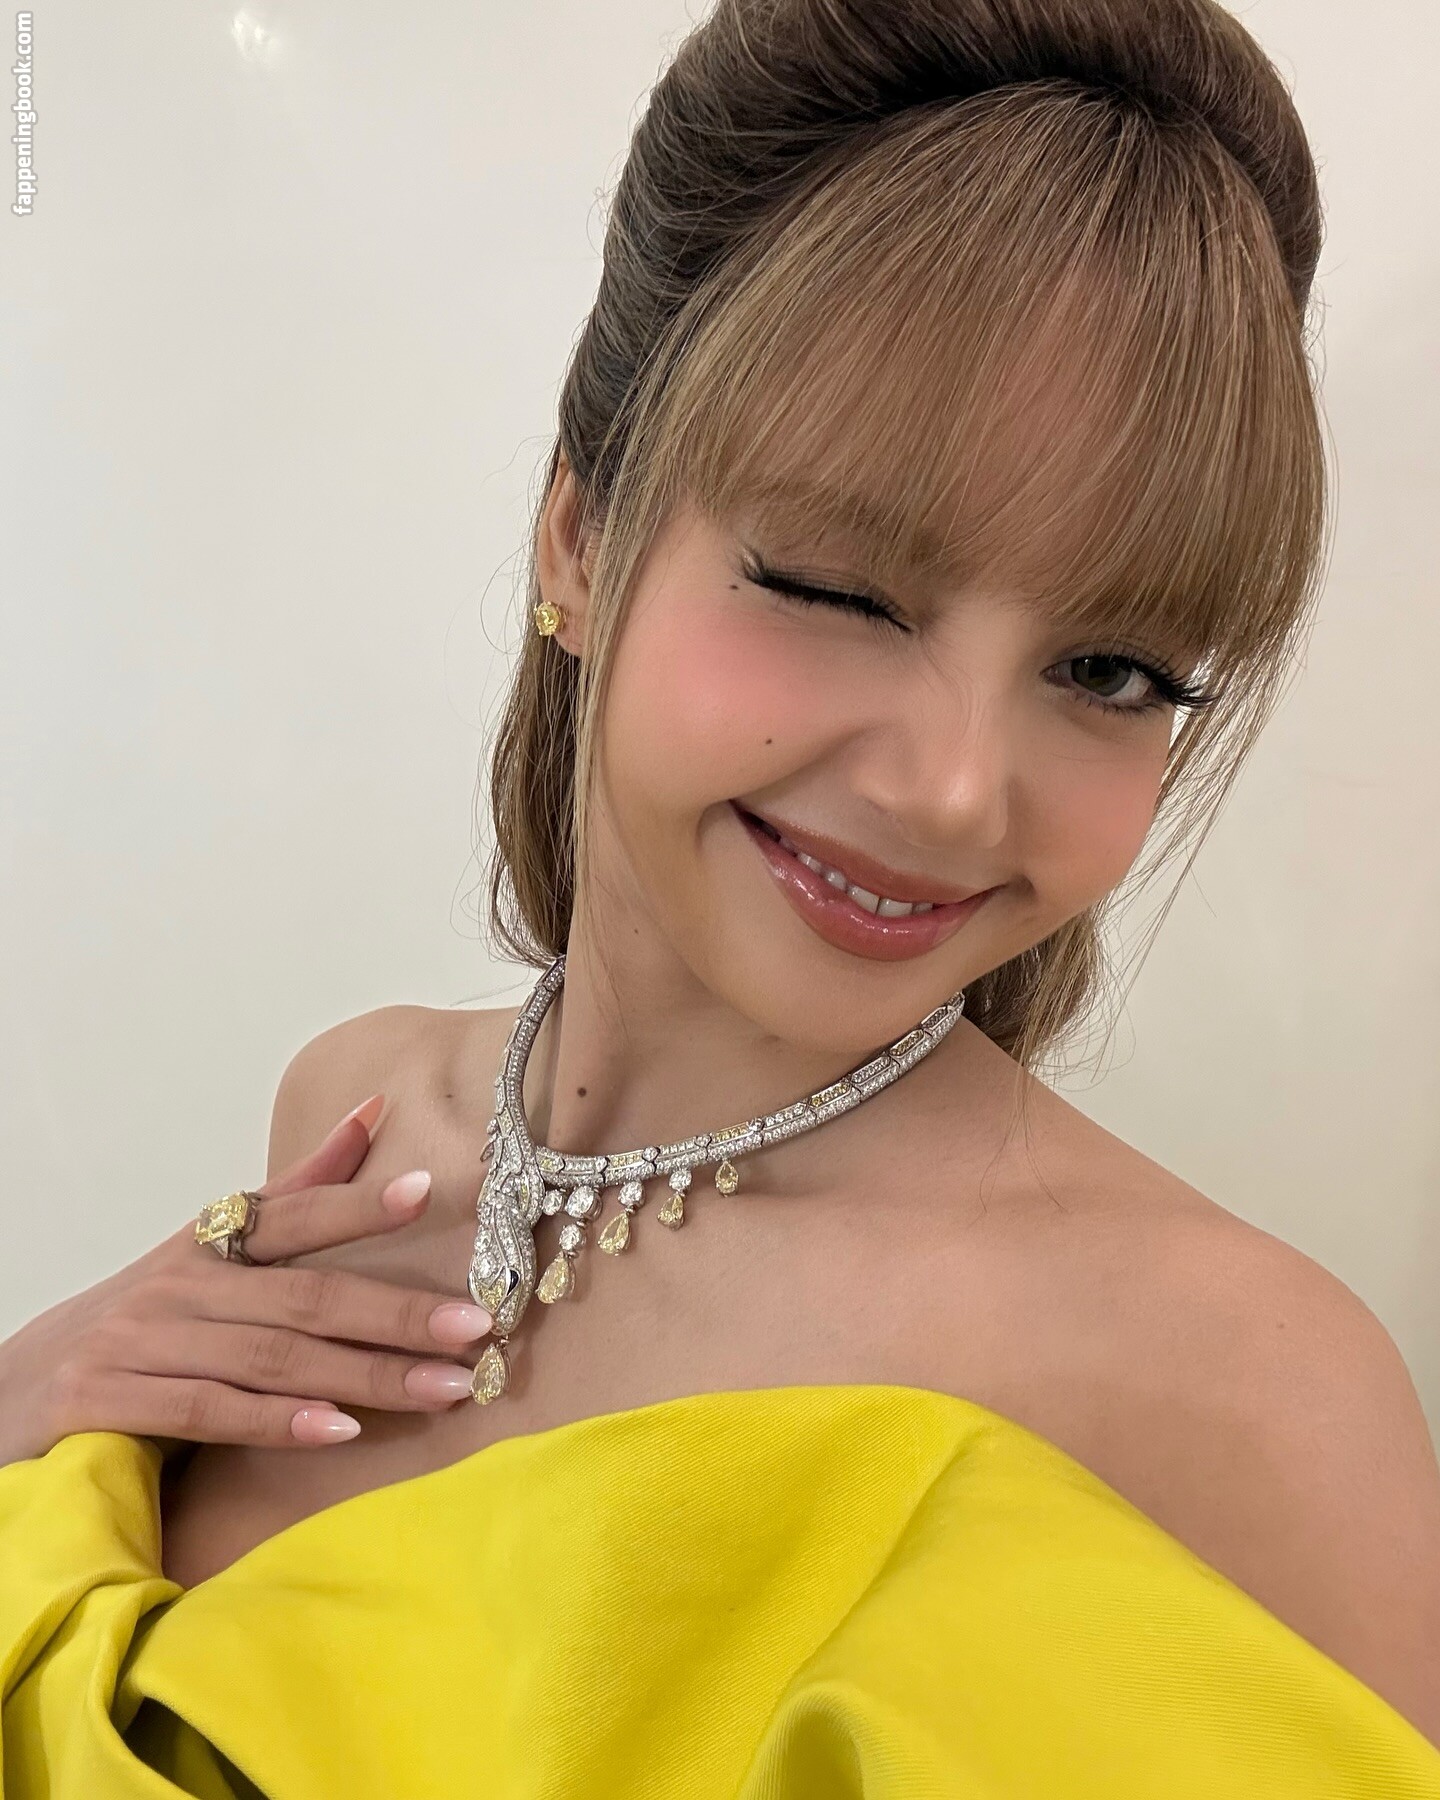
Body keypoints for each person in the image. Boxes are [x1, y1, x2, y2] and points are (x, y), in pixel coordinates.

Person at [3, 0, 1439, 1793]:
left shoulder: (1248, 1402)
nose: (956, 786)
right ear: (580, 535)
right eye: (838, 587)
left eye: (1112, 671)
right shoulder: (352, 1124)